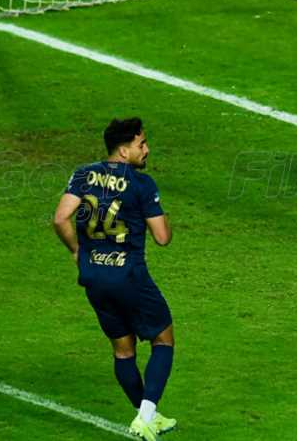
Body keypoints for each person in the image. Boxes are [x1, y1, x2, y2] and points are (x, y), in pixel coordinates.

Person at [53, 118, 176, 441]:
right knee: (163, 339)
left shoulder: (83, 174)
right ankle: (145, 417)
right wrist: (160, 212)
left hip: (93, 276)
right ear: (123, 151)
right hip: (129, 276)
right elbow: (162, 238)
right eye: (141, 144)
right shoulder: (142, 184)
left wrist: (77, 250)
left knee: (123, 351)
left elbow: (60, 218)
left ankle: (148, 416)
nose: (146, 150)